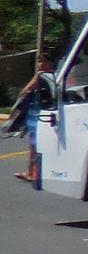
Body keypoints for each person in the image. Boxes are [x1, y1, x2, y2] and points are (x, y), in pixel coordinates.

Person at [8, 54, 50, 186]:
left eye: (44, 61)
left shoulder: (41, 76)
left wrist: (17, 105)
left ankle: (32, 173)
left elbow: (25, 90)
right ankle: (32, 172)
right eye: (39, 62)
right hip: (49, 111)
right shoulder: (58, 76)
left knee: (34, 144)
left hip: (39, 113)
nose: (41, 64)